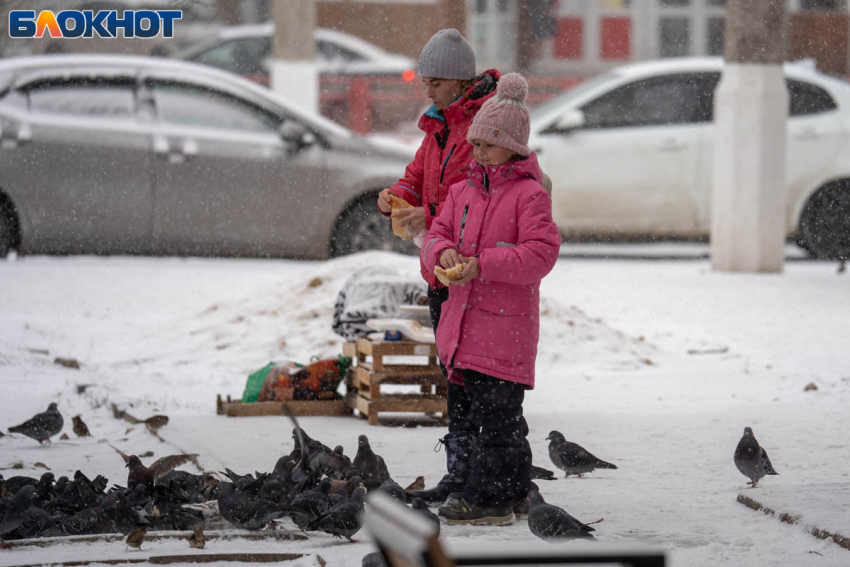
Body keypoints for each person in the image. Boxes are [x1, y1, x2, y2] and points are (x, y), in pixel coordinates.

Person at [420, 73, 561, 525]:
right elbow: (436, 234)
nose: (478, 153)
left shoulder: (529, 195)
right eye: (476, 144)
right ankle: (516, 489)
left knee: (498, 420)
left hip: (504, 331)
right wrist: (441, 255)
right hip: (465, 329)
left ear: (515, 148)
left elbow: (540, 254)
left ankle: (492, 500)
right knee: (494, 416)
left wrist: (484, 262)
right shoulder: (461, 192)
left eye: (489, 146)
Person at [377, 29, 501, 505]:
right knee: (453, 372)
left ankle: (485, 477)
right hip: (439, 269)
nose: (425, 91)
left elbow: (478, 195)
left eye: (433, 82)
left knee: (476, 379)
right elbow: (416, 178)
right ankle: (459, 472)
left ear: (456, 81)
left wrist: (425, 216)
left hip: (467, 272)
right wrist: (396, 197)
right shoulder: (437, 128)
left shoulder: (481, 128)